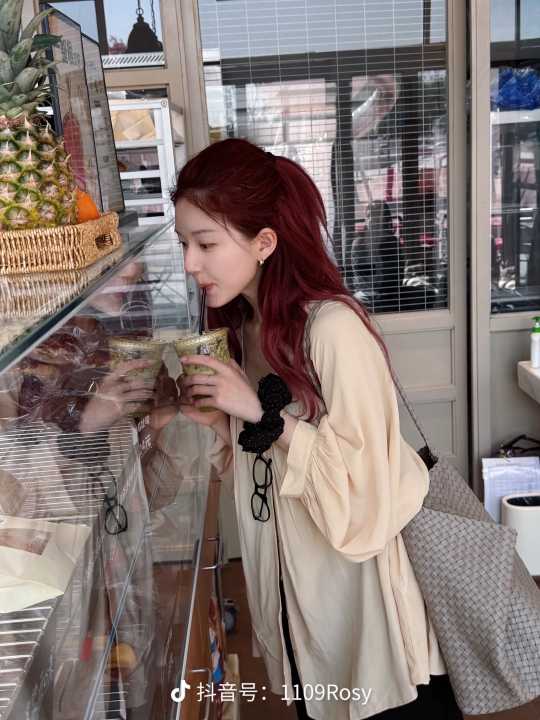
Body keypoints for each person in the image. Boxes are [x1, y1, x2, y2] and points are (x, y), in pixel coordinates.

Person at [172, 138, 462, 720]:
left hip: (363, 609)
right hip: (298, 600)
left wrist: (260, 413)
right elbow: (267, 475)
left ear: (264, 242)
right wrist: (215, 423)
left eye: (205, 243)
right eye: (184, 244)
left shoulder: (333, 330)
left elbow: (367, 496)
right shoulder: (245, 330)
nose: (189, 264)